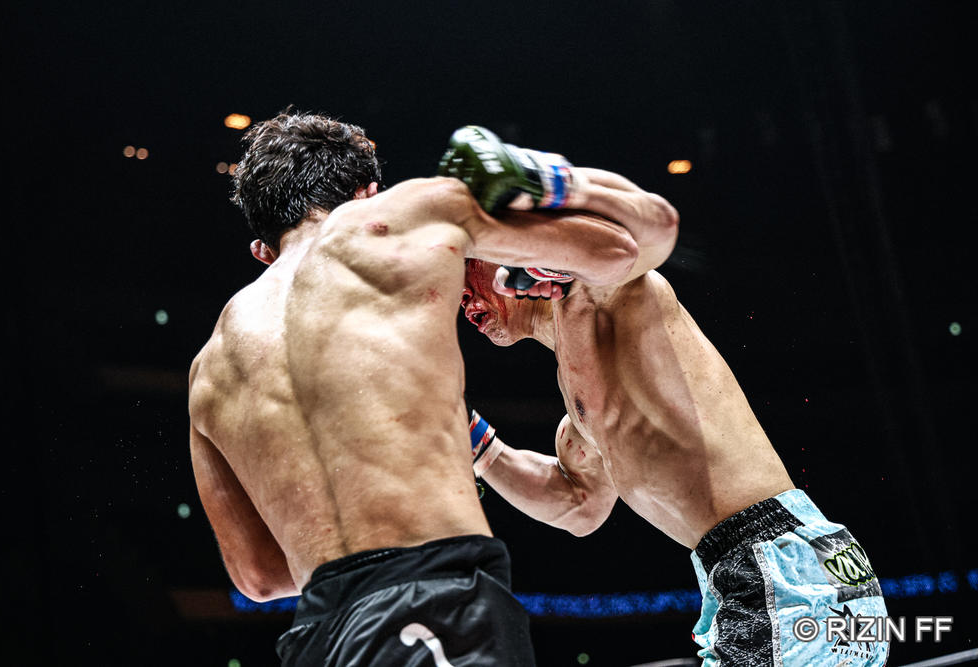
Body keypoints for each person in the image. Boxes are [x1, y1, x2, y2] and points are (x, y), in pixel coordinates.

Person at [187, 112, 646, 666]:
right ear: (368, 194)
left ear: (262, 250)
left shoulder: (207, 370)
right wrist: (542, 261)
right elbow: (617, 252)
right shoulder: (399, 223)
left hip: (317, 637)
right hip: (434, 602)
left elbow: (258, 578)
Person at [459, 152, 889, 664]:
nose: (461, 295)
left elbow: (653, 232)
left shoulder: (601, 289)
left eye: (468, 265)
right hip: (796, 569)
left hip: (777, 569)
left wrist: (548, 204)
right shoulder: (577, 420)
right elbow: (579, 508)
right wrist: (469, 437)